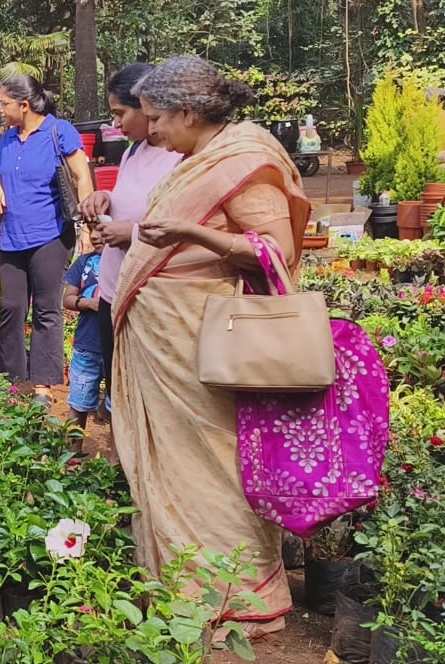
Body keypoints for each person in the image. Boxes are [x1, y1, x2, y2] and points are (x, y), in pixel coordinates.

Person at [107, 55, 310, 637]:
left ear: (190, 113)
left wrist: (193, 232)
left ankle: (236, 596)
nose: (155, 133)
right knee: (170, 464)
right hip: (163, 337)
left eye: (158, 120)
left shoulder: (243, 159)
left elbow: (272, 251)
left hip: (202, 342)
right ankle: (181, 587)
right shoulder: (198, 155)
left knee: (213, 465)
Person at [77, 63, 182, 426]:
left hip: (149, 292)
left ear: (147, 104)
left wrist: (130, 233)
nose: (116, 124)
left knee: (148, 395)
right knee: (118, 387)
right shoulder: (133, 152)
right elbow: (132, 199)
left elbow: (182, 226)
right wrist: (104, 198)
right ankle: (122, 469)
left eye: (121, 113)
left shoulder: (181, 156)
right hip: (113, 287)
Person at [0, 74, 93, 406]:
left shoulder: (58, 131)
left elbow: (82, 176)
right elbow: (1, 171)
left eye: (4, 103)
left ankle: (43, 387)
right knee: (11, 308)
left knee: (47, 309)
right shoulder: (6, 138)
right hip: (10, 237)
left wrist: (88, 227)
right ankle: (11, 380)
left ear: (24, 104)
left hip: (49, 235)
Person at [61, 228, 105, 440]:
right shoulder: (83, 262)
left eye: (101, 227)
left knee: (117, 407)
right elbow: (67, 298)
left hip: (117, 346)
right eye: (90, 228)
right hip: (87, 344)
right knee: (78, 403)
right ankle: (70, 458)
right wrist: (87, 303)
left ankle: (115, 461)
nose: (95, 235)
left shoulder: (128, 260)